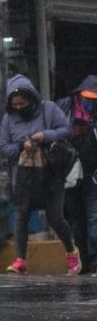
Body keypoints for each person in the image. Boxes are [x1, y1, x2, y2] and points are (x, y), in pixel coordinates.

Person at [0, 74, 80, 275]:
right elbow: (4, 147)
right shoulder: (8, 119)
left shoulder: (49, 109)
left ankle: (71, 252)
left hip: (50, 175)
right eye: (15, 104)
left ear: (31, 98)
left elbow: (67, 130)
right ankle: (20, 259)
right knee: (20, 215)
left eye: (23, 103)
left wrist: (46, 135)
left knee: (55, 217)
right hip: (24, 178)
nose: (19, 107)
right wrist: (21, 145)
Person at [58, 75, 97, 275]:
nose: (89, 103)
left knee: (93, 216)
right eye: (86, 98)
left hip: (92, 173)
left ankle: (94, 259)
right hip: (71, 172)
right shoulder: (64, 108)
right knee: (75, 217)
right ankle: (82, 259)